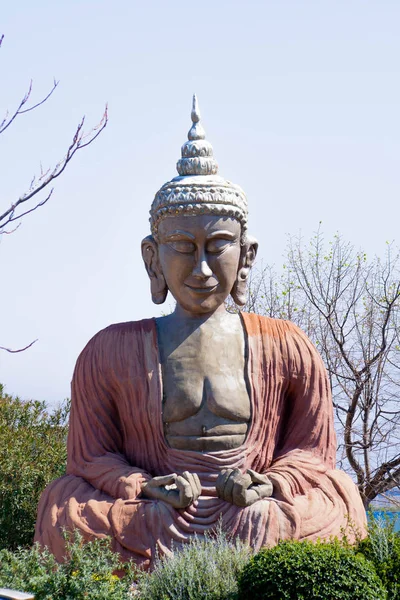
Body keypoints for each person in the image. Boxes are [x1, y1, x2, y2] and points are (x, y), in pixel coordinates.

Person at [35, 96, 366, 568]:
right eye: (183, 247)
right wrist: (144, 485)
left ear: (246, 256)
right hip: (151, 512)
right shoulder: (110, 350)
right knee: (65, 505)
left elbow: (311, 452)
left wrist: (268, 482)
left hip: (257, 509)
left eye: (218, 246)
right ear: (153, 257)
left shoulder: (287, 345)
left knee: (336, 499)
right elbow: (90, 457)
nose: (202, 269)